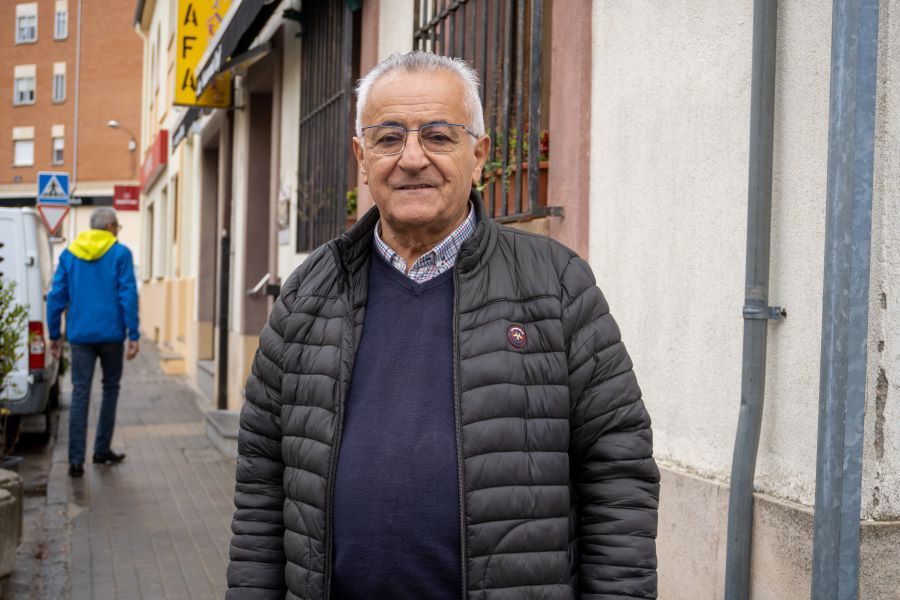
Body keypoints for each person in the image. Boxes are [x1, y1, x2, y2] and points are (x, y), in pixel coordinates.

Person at [227, 51, 659, 600]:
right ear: (362, 157)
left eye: (437, 135)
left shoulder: (556, 284)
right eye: (388, 138)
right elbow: (262, 483)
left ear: (478, 155)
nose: (411, 158)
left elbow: (617, 471)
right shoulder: (308, 294)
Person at [47, 207, 139, 478]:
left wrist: (54, 335)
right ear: (110, 226)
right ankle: (101, 450)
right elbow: (128, 295)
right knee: (110, 389)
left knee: (80, 393)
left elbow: (56, 297)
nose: (117, 232)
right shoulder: (121, 254)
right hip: (111, 335)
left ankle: (76, 462)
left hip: (80, 336)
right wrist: (133, 334)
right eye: (117, 228)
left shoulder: (69, 254)